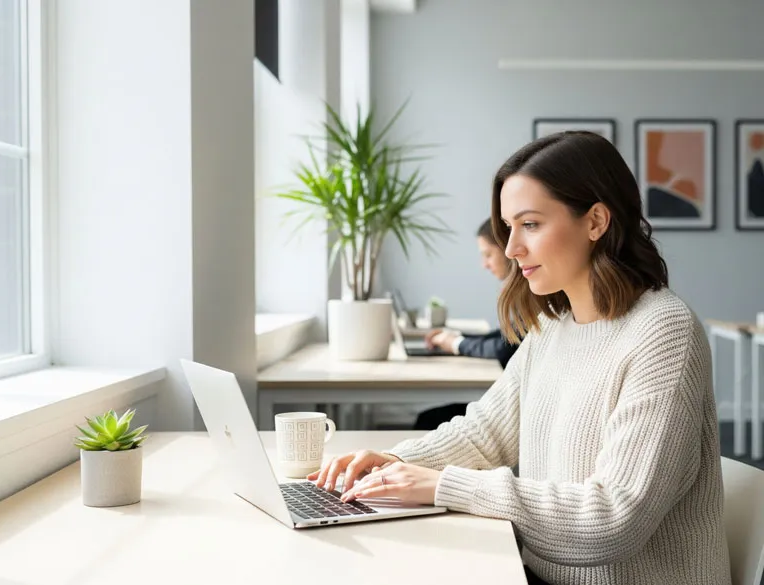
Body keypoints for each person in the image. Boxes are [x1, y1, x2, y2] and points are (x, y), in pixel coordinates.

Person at [309, 131, 731, 585]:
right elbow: (486, 434)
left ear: (595, 221)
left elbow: (613, 520)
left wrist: (443, 485)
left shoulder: (664, 332)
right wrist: (391, 462)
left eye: (529, 224)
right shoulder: (554, 326)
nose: (511, 248)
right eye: (509, 227)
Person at [413, 219, 518, 430]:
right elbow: (505, 337)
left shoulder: (535, 295)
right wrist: (457, 337)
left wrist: (456, 343)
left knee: (427, 420)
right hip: (511, 405)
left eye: (488, 254)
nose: (485, 264)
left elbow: (504, 346)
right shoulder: (523, 294)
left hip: (512, 413)